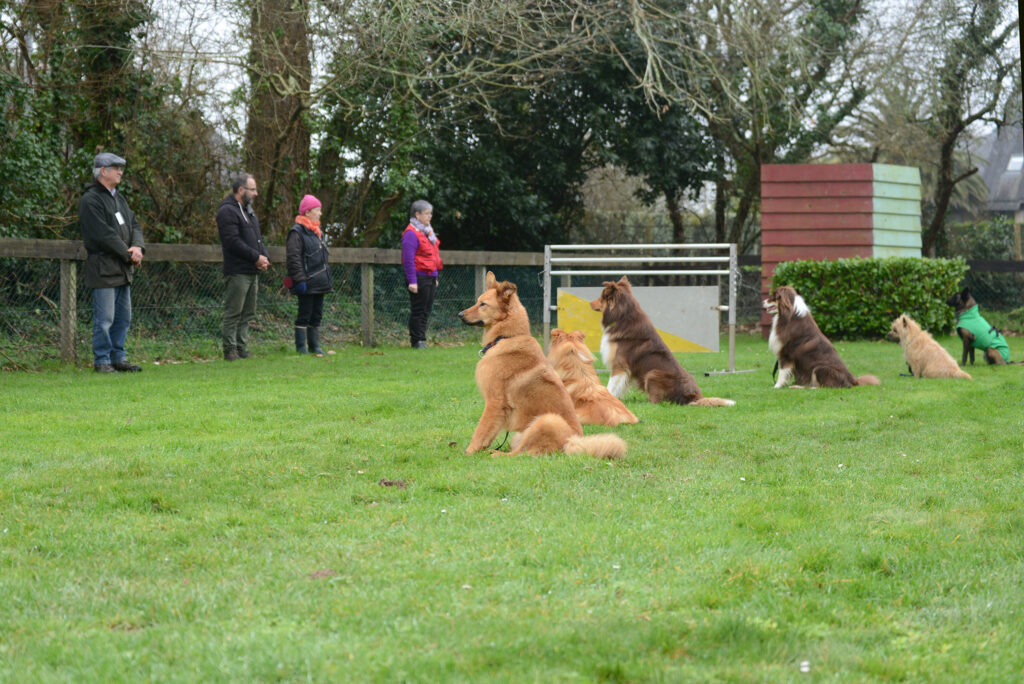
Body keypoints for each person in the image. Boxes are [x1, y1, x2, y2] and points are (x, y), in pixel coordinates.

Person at [78, 152, 145, 373]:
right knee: (105, 319)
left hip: (123, 269)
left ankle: (118, 358)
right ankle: (102, 360)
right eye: (116, 168)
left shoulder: (119, 198)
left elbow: (134, 224)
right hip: (103, 269)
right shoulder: (90, 200)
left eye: (121, 168)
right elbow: (103, 235)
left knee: (123, 318)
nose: (120, 172)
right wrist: (129, 254)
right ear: (102, 171)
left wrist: (138, 247)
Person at [217, 173, 270, 361]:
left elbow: (257, 239)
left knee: (248, 312)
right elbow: (232, 242)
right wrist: (256, 257)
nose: (256, 193)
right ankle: (230, 350)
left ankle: (242, 347)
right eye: (252, 189)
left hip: (252, 270)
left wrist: (264, 257)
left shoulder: (249, 212)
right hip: (237, 271)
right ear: (241, 190)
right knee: (234, 312)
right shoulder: (227, 211)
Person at [285, 194, 333, 356]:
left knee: (316, 315)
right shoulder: (296, 232)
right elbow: (293, 258)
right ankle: (301, 347)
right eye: (317, 210)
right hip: (306, 281)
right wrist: (300, 280)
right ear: (307, 212)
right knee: (304, 314)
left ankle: (314, 345)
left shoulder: (317, 232)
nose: (320, 213)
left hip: (320, 281)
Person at [401, 199, 443, 349]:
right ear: (417, 215)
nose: (430, 216)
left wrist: (435, 276)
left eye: (430, 213)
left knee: (426, 310)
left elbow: (433, 256)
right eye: (426, 213)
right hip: (419, 276)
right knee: (418, 310)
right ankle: (417, 340)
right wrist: (412, 281)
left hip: (430, 276)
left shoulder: (427, 232)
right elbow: (408, 260)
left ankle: (422, 339)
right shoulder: (411, 234)